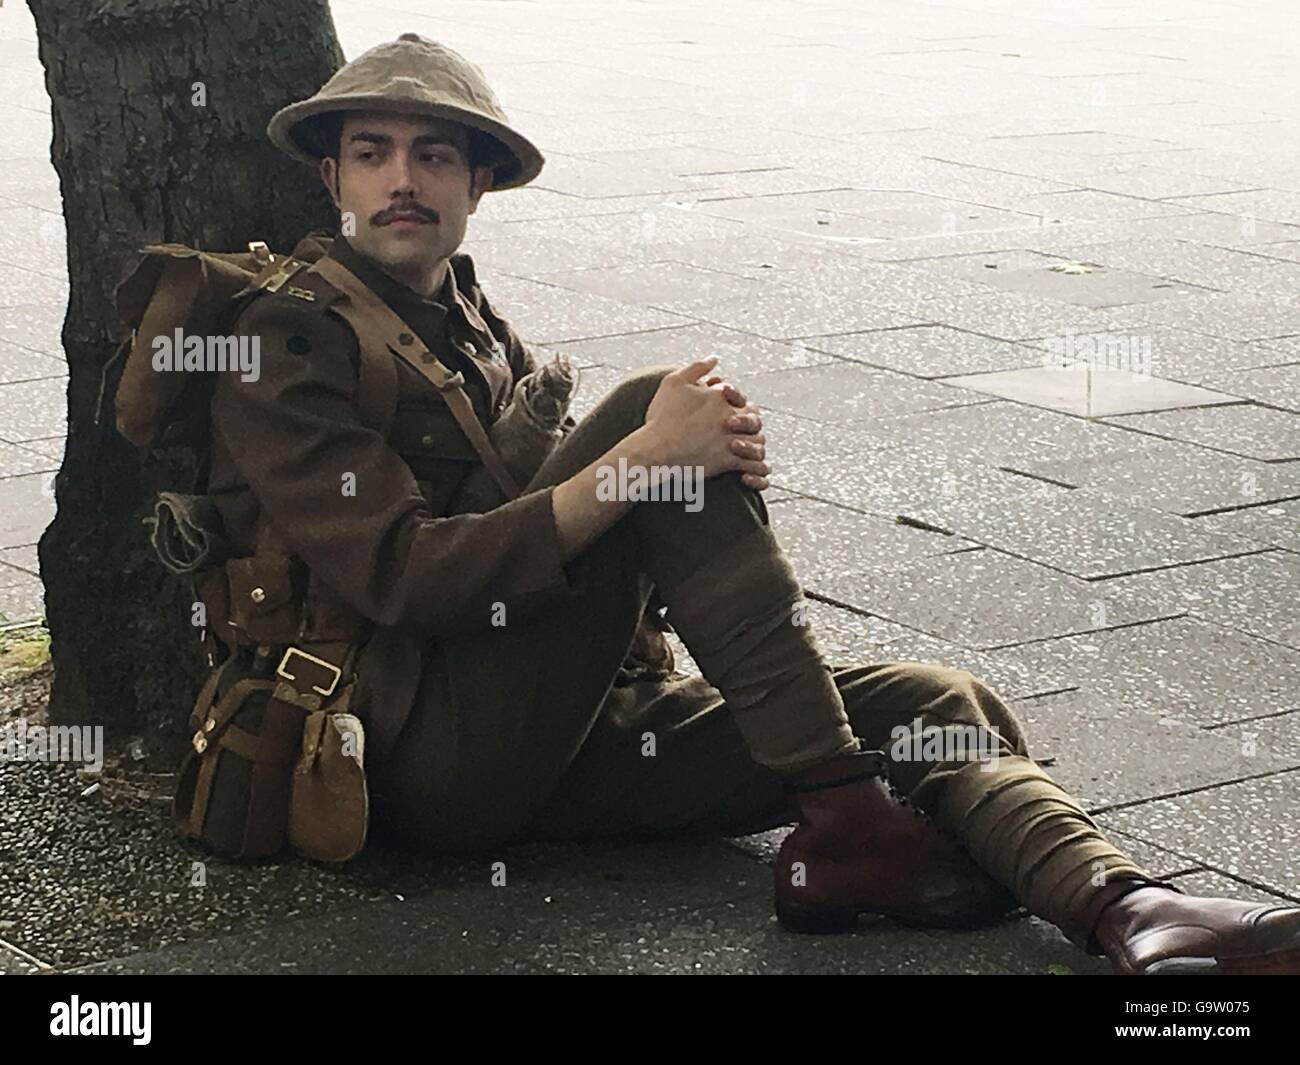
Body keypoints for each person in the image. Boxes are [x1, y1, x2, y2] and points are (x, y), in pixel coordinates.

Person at [204, 32, 1300, 975]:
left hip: (564, 732)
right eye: (371, 153)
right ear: (331, 182)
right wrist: (649, 464)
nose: (403, 178)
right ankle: (849, 824)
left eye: (434, 154)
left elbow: (572, 530)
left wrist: (696, 495)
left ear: (477, 183)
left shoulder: (468, 321)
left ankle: (1125, 912)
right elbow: (407, 578)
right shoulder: (283, 341)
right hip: (414, 757)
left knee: (929, 699)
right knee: (652, 412)